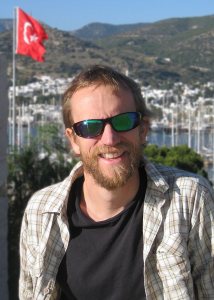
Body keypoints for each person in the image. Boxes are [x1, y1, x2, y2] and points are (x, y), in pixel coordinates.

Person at [19, 65, 214, 300]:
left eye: (123, 121)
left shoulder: (189, 199)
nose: (110, 139)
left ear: (143, 129)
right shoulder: (41, 213)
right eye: (90, 127)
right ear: (73, 140)